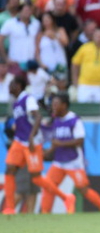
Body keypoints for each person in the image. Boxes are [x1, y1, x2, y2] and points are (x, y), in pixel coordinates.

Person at [2, 77, 74, 215]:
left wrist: (31, 137)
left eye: (11, 84)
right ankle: (9, 208)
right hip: (19, 141)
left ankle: (66, 197)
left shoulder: (27, 99)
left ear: (18, 85)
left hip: (31, 143)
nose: (9, 87)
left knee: (36, 177)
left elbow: (38, 116)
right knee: (9, 170)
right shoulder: (17, 103)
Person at [41, 93, 100, 214]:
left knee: (83, 189)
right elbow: (54, 141)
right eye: (52, 104)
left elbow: (80, 140)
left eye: (56, 104)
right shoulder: (55, 120)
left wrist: (60, 144)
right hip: (58, 161)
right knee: (49, 187)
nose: (53, 107)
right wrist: (48, 152)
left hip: (73, 161)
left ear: (64, 105)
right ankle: (44, 213)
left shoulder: (74, 120)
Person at [0, 3, 40, 71]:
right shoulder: (10, 23)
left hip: (32, 62)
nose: (28, 12)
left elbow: (39, 41)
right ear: (20, 11)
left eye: (29, 10)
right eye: (25, 10)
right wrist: (5, 58)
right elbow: (1, 39)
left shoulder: (36, 24)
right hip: (15, 61)